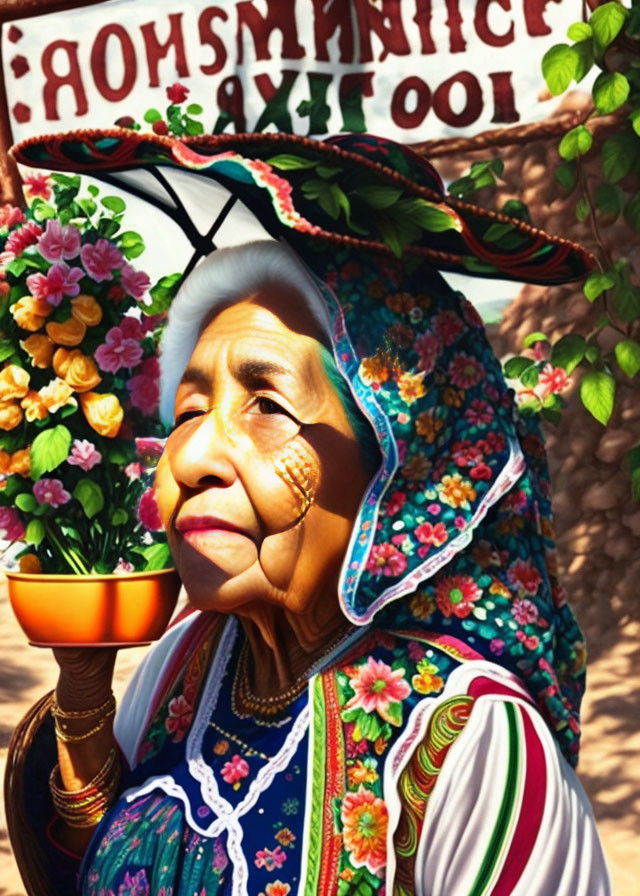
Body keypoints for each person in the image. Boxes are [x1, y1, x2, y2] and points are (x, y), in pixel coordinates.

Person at [7, 130, 610, 895]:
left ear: (398, 468)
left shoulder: (473, 746)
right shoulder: (185, 668)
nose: (190, 462)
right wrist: (86, 691)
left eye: (267, 404)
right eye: (189, 410)